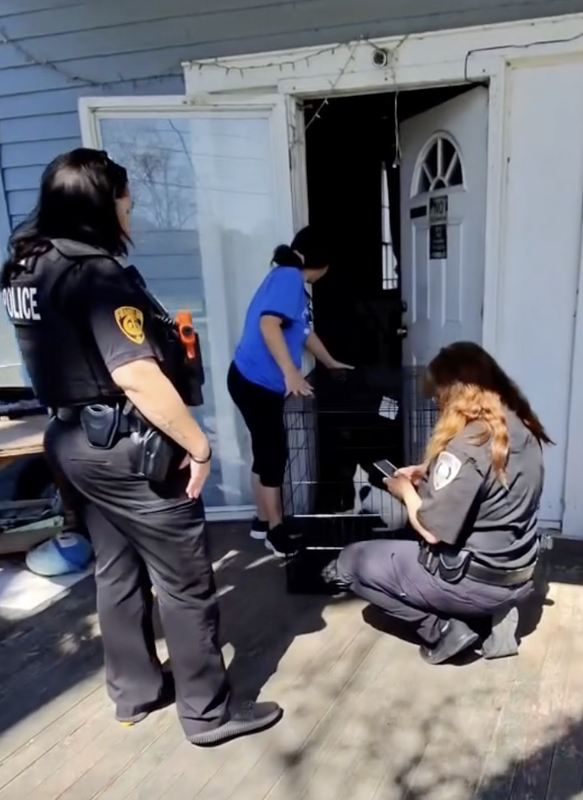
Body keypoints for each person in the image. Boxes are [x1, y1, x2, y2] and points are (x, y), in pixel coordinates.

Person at [1, 148, 282, 746]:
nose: (132, 210)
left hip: (74, 442)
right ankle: (207, 712)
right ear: (103, 203)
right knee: (185, 582)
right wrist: (198, 446)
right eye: (126, 199)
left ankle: (134, 694)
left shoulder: (26, 266)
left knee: (116, 570)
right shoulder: (95, 273)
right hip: (129, 449)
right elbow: (134, 373)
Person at [325, 341, 552, 665]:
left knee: (349, 563)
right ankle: (493, 616)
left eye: (438, 392)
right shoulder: (520, 428)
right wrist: (426, 473)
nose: (435, 400)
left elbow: (432, 531)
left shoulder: (467, 445)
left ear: (455, 394)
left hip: (476, 581)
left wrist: (405, 490)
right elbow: (490, 490)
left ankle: (443, 630)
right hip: (518, 573)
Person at [227, 227, 352, 554]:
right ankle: (275, 531)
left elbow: (304, 333)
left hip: (248, 379)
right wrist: (291, 374)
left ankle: (261, 520)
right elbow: (268, 324)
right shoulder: (288, 279)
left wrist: (330, 362)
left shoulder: (290, 280)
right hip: (255, 383)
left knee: (265, 451)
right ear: (323, 265)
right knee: (273, 456)